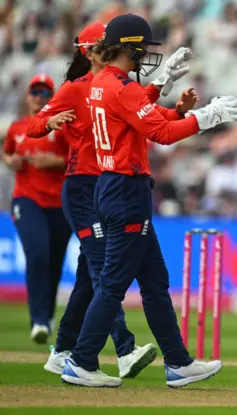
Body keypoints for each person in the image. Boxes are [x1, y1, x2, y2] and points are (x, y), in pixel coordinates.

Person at [60, 13, 237, 388]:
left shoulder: (102, 83)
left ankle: (178, 362)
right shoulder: (118, 86)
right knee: (112, 284)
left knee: (156, 283)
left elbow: (140, 114)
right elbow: (159, 132)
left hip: (116, 186)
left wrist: (169, 94)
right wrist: (207, 118)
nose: (147, 53)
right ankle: (81, 360)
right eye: (143, 47)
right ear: (130, 47)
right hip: (125, 190)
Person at [27, 23, 196, 379]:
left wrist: (169, 100)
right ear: (92, 50)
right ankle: (116, 351)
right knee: (106, 272)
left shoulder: (112, 85)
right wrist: (51, 121)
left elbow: (137, 114)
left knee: (98, 276)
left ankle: (64, 351)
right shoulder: (79, 88)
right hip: (92, 188)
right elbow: (34, 126)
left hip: (106, 183)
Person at [2, 74, 71, 344]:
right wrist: (12, 162)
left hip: (59, 202)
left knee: (54, 262)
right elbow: (7, 153)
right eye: (35, 92)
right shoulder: (17, 127)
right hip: (27, 199)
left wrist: (54, 161)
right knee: (38, 253)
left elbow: (78, 158)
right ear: (28, 96)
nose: (39, 97)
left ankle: (45, 315)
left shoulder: (63, 128)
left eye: (45, 92)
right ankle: (39, 319)